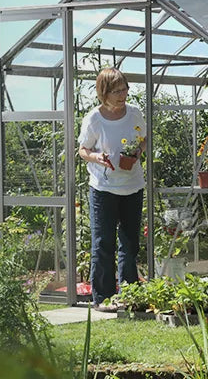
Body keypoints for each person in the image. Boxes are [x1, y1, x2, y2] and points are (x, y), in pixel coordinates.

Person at [76, 68, 145, 312]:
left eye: (125, 89)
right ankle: (103, 298)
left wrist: (137, 152)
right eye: (117, 91)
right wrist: (97, 157)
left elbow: (143, 138)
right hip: (103, 189)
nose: (123, 94)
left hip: (133, 186)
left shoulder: (135, 114)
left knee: (130, 242)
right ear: (104, 92)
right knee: (103, 242)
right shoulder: (94, 118)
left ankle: (129, 293)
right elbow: (83, 150)